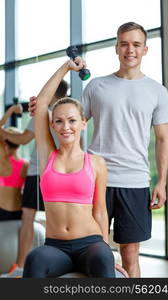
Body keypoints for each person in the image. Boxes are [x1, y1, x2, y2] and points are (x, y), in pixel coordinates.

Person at [80, 22, 168, 277]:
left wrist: (161, 182)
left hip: (135, 181)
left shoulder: (157, 91)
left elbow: (163, 139)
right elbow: (72, 124)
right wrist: (43, 108)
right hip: (97, 180)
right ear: (116, 48)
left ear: (145, 50)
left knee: (130, 256)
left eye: (136, 44)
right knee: (95, 252)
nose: (130, 49)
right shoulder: (96, 87)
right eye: (124, 43)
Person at [23, 59, 116, 278]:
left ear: (84, 122)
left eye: (72, 121)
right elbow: (43, 102)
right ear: (52, 125)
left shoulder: (96, 163)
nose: (66, 127)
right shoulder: (48, 157)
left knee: (103, 259)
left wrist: (108, 253)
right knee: (34, 258)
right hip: (56, 247)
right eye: (59, 121)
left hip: (91, 244)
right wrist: (66, 67)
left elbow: (101, 211)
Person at [0, 80, 69, 278]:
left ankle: (20, 266)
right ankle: (57, 263)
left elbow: (23, 139)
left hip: (39, 172)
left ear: (52, 92)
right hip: (58, 171)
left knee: (28, 217)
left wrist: (2, 132)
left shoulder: (44, 110)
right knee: (57, 218)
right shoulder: (67, 113)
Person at [0, 105, 28, 221]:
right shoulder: (26, 165)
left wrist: (11, 110)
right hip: (19, 211)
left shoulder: (3, 160)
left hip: (2, 210)